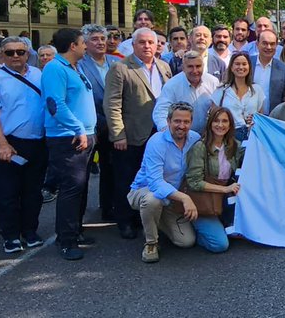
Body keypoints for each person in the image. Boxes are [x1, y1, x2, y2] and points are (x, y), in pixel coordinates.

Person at [0, 36, 47, 254]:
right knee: (8, 192)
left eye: (20, 52)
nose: (16, 56)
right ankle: (10, 236)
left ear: (28, 54)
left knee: (33, 191)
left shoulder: (38, 74)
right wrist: (2, 144)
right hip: (9, 143)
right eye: (10, 52)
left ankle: (30, 231)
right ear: (1, 55)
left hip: (37, 142)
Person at [104, 28, 172, 240]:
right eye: (142, 42)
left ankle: (146, 220)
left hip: (158, 134)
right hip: (131, 136)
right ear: (133, 45)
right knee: (127, 179)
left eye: (151, 42)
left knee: (152, 179)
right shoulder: (120, 68)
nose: (147, 46)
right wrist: (118, 135)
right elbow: (112, 103)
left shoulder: (164, 67)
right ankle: (125, 221)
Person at [42, 28, 98, 261]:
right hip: (68, 137)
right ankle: (66, 240)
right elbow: (56, 104)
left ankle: (76, 230)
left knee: (81, 186)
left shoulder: (73, 67)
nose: (86, 46)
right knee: (71, 187)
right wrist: (77, 128)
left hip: (85, 134)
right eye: (83, 43)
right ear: (73, 46)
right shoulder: (54, 68)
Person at [128, 102, 204, 262]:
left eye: (186, 122)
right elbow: (155, 183)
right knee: (152, 200)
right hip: (144, 190)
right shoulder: (156, 142)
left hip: (171, 198)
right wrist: (185, 198)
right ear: (168, 121)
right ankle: (151, 243)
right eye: (177, 121)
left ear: (191, 122)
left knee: (186, 242)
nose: (181, 126)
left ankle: (154, 220)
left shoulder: (195, 139)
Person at [184, 106, 243, 242]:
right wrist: (225, 189)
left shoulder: (234, 145)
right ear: (210, 123)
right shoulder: (200, 147)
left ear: (230, 125)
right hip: (204, 200)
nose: (220, 125)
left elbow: (253, 155)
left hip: (223, 200)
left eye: (225, 121)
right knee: (220, 244)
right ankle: (196, 229)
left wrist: (254, 130)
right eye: (216, 121)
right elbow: (194, 182)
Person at [77, 24, 116, 222]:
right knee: (81, 176)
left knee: (110, 169)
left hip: (113, 126)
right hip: (90, 127)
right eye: (95, 39)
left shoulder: (116, 61)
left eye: (103, 38)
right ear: (84, 43)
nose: (101, 42)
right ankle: (78, 220)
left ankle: (108, 207)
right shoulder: (79, 64)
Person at [153, 51, 219, 133]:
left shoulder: (213, 82)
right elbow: (161, 111)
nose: (195, 71)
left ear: (203, 66)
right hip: (182, 136)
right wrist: (166, 130)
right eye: (190, 66)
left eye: (198, 66)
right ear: (183, 68)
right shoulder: (172, 85)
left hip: (208, 135)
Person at [211, 52, 264, 142]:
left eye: (244, 64)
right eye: (237, 64)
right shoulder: (221, 90)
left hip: (251, 136)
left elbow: (261, 116)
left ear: (249, 67)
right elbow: (213, 116)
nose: (241, 67)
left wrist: (254, 119)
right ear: (231, 67)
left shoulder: (257, 90)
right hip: (228, 136)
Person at [251, 29, 285, 114]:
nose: (268, 47)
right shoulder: (247, 64)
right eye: (265, 43)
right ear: (257, 44)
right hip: (249, 118)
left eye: (272, 44)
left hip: (273, 119)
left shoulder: (283, 68)